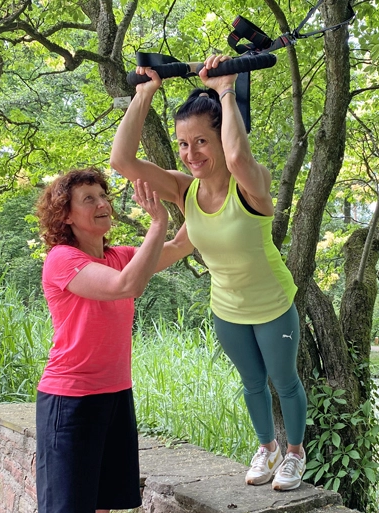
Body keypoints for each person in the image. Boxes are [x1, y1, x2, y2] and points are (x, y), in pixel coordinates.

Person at [110, 55, 309, 491]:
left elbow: (239, 157)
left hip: (273, 304)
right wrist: (143, 94)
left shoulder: (251, 184)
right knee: (252, 383)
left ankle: (295, 453)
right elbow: (122, 160)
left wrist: (226, 89)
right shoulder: (185, 190)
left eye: (201, 141)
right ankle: (268, 447)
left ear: (221, 138)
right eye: (183, 144)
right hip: (227, 308)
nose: (190, 153)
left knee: (284, 381)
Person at [25, 167, 188, 513]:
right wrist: (158, 222)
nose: (102, 204)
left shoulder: (117, 254)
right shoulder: (63, 260)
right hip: (70, 401)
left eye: (103, 195)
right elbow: (125, 285)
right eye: (88, 200)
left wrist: (209, 193)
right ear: (66, 217)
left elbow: (180, 246)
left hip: (114, 397)